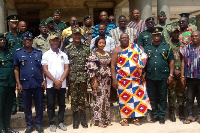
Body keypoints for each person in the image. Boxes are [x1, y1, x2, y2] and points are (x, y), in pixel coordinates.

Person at [111, 33, 151, 126]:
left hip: (136, 79)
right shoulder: (116, 50)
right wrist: (114, 79)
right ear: (120, 40)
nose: (124, 39)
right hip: (122, 80)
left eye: (126, 38)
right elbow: (113, 66)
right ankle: (124, 118)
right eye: (122, 38)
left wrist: (143, 72)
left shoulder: (135, 48)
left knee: (136, 99)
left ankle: (135, 118)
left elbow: (142, 60)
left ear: (129, 39)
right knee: (124, 99)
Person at [14, 31, 45, 133]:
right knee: (27, 106)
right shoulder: (18, 53)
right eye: (26, 39)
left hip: (38, 83)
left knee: (39, 105)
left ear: (32, 41)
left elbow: (42, 68)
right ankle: (29, 125)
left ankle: (39, 124)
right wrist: (18, 83)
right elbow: (16, 69)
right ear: (22, 41)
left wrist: (44, 80)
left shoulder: (38, 52)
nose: (28, 41)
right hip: (25, 84)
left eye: (30, 39)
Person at [145, 27, 174, 124]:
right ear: (151, 36)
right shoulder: (147, 47)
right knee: (152, 97)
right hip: (150, 76)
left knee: (162, 96)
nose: (156, 37)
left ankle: (162, 116)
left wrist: (171, 75)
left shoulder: (167, 47)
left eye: (158, 35)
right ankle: (155, 115)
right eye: (154, 35)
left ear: (160, 36)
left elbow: (171, 61)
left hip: (163, 75)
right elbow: (143, 62)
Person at [42, 35, 69, 132]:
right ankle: (52, 123)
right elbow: (45, 69)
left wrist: (60, 81)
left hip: (62, 84)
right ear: (50, 42)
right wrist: (55, 81)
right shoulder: (46, 54)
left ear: (59, 42)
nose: (55, 42)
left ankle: (61, 121)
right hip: (50, 84)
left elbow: (66, 68)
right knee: (51, 104)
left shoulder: (64, 54)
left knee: (62, 104)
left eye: (56, 40)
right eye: (53, 41)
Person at [64, 28, 89, 129]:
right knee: (74, 99)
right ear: (72, 36)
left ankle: (83, 118)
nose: (77, 36)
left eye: (79, 35)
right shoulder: (68, 48)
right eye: (75, 35)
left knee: (82, 98)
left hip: (83, 77)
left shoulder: (86, 48)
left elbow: (89, 63)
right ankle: (75, 118)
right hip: (73, 78)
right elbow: (65, 65)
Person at [86, 37, 112, 128]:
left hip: (107, 79)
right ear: (97, 44)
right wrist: (95, 81)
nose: (102, 45)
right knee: (98, 99)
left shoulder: (108, 54)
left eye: (103, 43)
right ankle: (98, 121)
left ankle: (107, 119)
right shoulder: (93, 54)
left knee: (106, 99)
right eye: (100, 43)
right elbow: (91, 69)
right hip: (98, 79)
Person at [0, 33, 19, 133]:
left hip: (10, 83)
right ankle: (1, 127)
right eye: (0, 40)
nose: (2, 41)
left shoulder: (9, 53)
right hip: (1, 84)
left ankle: (8, 126)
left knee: (8, 107)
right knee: (0, 106)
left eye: (3, 40)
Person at [180, 31, 200, 124]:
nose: (194, 37)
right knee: (189, 97)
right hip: (190, 77)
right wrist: (182, 76)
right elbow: (183, 62)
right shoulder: (186, 48)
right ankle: (190, 115)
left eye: (196, 36)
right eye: (192, 36)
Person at [5, 15, 23, 115]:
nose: (15, 24)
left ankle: (22, 104)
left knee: (21, 84)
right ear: (8, 23)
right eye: (13, 22)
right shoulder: (6, 36)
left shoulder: (22, 35)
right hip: (11, 64)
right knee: (12, 86)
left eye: (16, 22)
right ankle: (13, 106)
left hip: (21, 64)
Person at [167, 27, 185, 122]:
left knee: (181, 93)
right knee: (171, 93)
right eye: (174, 33)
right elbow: (166, 60)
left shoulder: (183, 45)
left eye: (177, 33)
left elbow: (184, 59)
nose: (176, 35)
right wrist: (173, 71)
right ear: (171, 34)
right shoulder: (167, 45)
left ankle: (181, 113)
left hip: (181, 72)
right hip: (172, 73)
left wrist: (181, 72)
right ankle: (172, 113)